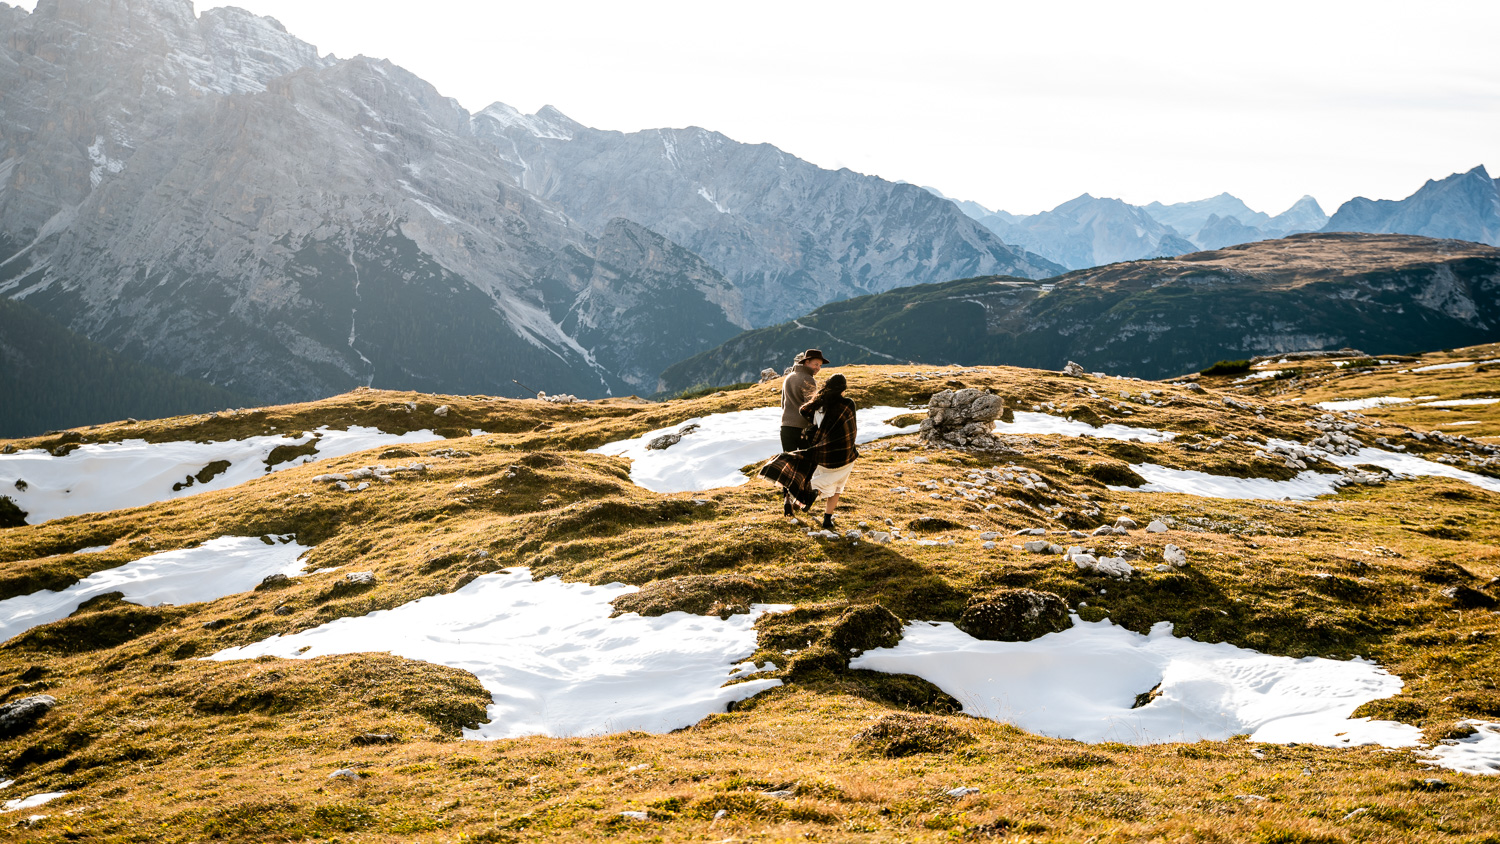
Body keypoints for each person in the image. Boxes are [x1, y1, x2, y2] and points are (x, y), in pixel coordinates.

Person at [760, 373, 859, 531]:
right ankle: (825, 517)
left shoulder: (819, 406)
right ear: (843, 389)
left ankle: (797, 502)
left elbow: (805, 412)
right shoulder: (848, 404)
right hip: (845, 454)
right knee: (837, 486)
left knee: (822, 477)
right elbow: (850, 429)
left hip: (821, 453)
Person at [780, 349, 826, 452]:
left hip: (785, 427)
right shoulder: (808, 379)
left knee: (789, 463)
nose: (818, 368)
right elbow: (812, 406)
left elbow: (783, 404)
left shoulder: (789, 377)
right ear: (807, 362)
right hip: (802, 429)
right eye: (816, 364)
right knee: (807, 463)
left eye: (820, 366)